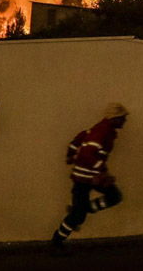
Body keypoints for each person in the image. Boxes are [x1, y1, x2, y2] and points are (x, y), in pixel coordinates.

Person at [50, 103, 129, 248]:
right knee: (79, 215)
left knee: (113, 197)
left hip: (89, 174)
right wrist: (100, 172)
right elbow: (88, 153)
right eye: (123, 118)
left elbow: (81, 136)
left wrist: (71, 153)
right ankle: (56, 242)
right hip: (85, 177)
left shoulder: (103, 129)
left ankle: (83, 209)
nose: (125, 121)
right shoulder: (102, 131)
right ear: (115, 118)